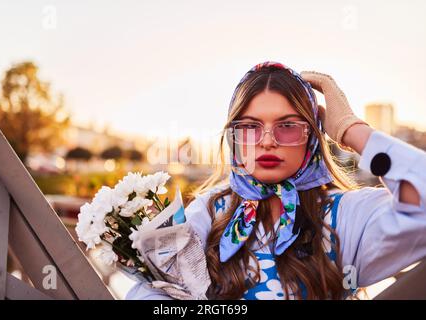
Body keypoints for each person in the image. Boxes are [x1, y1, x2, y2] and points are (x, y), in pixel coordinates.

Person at [126, 61, 426, 300]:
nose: (268, 141)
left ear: (312, 136)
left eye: (288, 126)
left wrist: (350, 129)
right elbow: (150, 290)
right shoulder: (210, 212)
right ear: (234, 138)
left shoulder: (343, 216)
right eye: (250, 127)